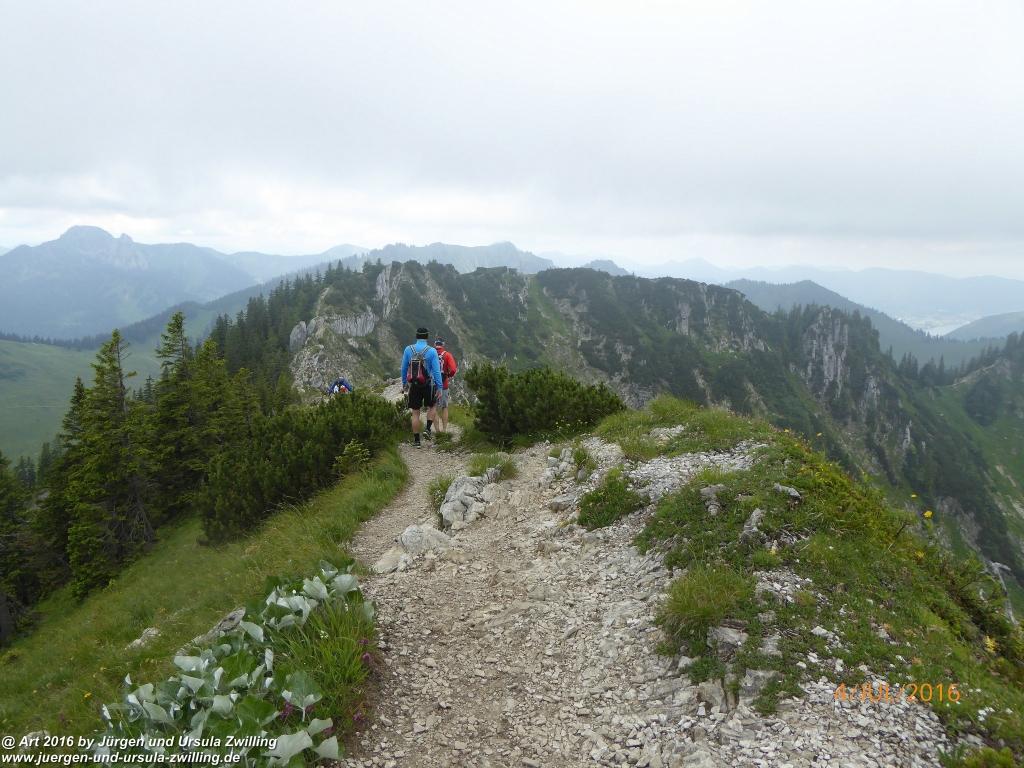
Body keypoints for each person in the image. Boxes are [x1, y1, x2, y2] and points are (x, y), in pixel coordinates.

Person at [400, 327, 443, 448]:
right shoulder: (432, 351)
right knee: (432, 405)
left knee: (415, 413)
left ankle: (417, 441)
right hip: (428, 384)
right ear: (427, 337)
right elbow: (436, 371)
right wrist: (439, 387)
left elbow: (403, 368)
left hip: (414, 385)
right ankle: (428, 428)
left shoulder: (408, 349)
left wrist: (404, 383)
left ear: (416, 336)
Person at [433, 338, 458, 433]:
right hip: (444, 384)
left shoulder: (430, 354)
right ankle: (444, 430)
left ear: (435, 345)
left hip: (432, 384)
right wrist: (448, 375)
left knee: (433, 407)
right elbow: (453, 370)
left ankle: (437, 431)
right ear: (443, 345)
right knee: (444, 407)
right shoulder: (447, 355)